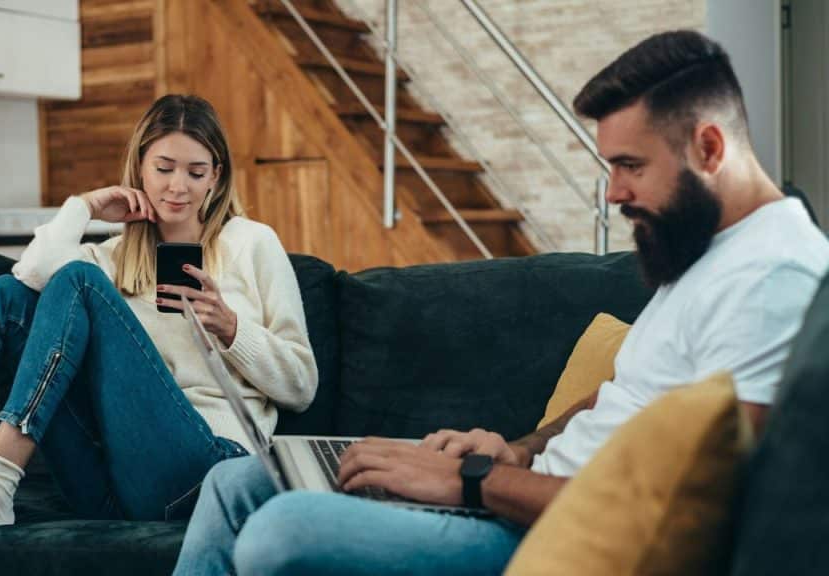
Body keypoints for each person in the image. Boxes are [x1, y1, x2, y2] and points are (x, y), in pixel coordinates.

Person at [172, 30, 829, 576]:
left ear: (709, 148)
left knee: (280, 532)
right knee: (239, 483)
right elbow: (617, 396)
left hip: (554, 538)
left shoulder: (774, 279)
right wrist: (516, 451)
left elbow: (710, 507)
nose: (612, 193)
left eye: (631, 165)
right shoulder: (704, 250)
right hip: (520, 491)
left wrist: (470, 481)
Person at [0, 94, 318, 535]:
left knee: (77, 279)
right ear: (140, 166)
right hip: (108, 488)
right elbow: (30, 273)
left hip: (204, 469)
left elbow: (301, 386)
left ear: (215, 177)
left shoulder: (250, 242)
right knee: (8, 296)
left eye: (196, 172)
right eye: (163, 169)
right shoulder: (111, 259)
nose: (178, 187)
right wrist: (85, 206)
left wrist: (233, 329)